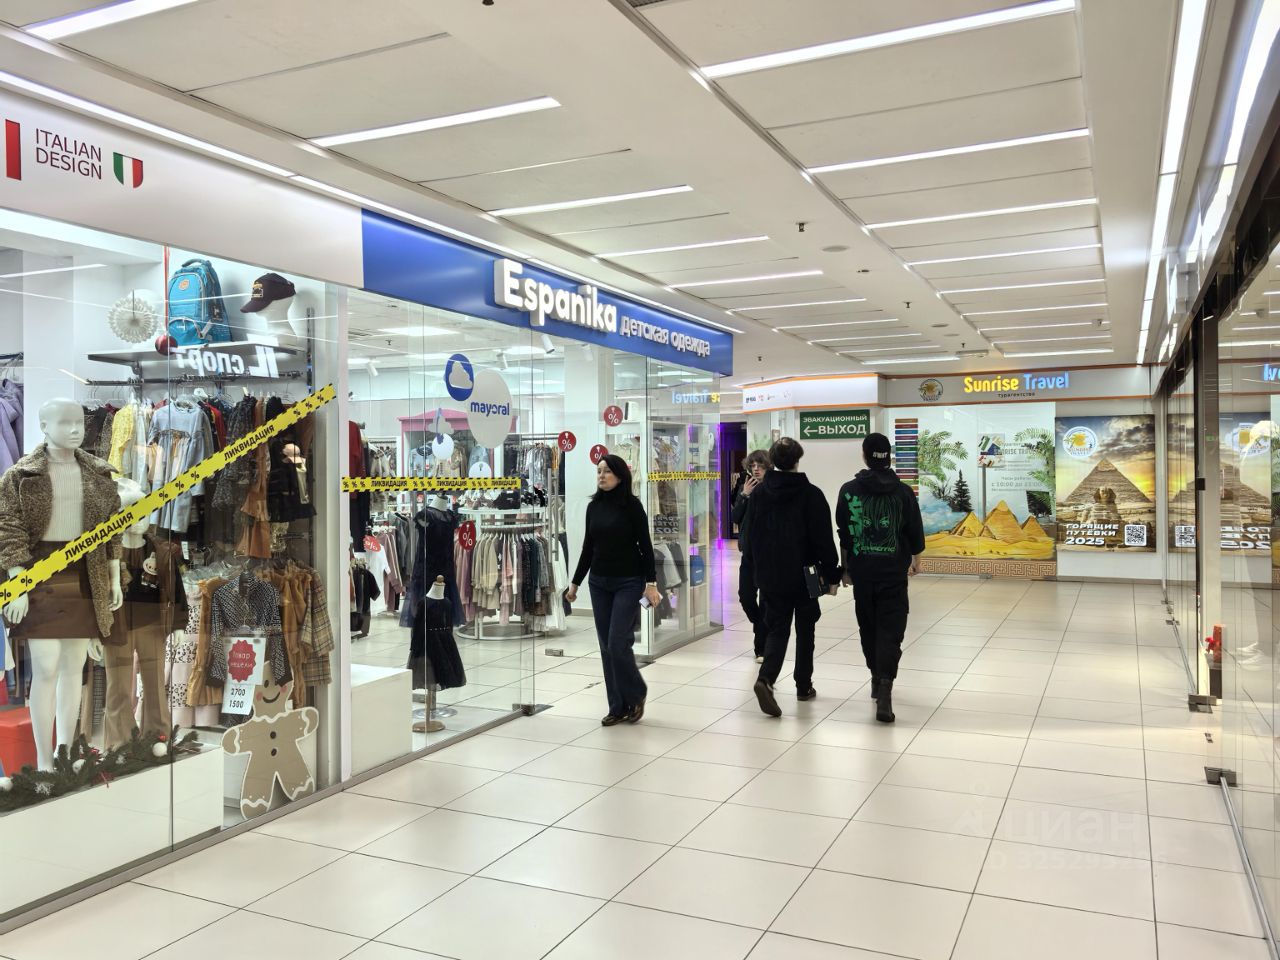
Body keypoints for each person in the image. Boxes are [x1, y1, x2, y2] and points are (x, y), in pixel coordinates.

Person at [744, 437, 840, 718]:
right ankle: (803, 685)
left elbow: (750, 538)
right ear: (798, 460)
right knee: (806, 627)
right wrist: (832, 573)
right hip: (805, 575)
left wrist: (757, 571)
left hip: (771, 574)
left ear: (772, 461)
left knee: (777, 628)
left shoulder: (759, 495)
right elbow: (823, 540)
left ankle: (766, 679)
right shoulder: (811, 495)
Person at [836, 432, 925, 723]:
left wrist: (846, 568)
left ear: (864, 455)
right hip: (893, 573)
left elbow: (845, 534)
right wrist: (916, 559)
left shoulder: (849, 491)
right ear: (889, 456)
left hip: (863, 572)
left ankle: (876, 676)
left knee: (868, 627)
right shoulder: (904, 493)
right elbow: (914, 530)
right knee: (891, 629)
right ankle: (885, 685)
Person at [566, 454, 660, 726]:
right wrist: (575, 583)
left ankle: (636, 693)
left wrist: (651, 583)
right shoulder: (593, 507)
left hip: (628, 582)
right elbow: (588, 547)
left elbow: (646, 546)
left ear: (620, 475)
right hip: (599, 583)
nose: (602, 476)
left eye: (607, 471)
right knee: (607, 646)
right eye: (599, 471)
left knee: (618, 643)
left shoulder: (632, 506)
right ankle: (617, 707)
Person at [731, 449, 771, 661]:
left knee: (765, 601)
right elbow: (735, 517)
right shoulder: (744, 486)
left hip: (768, 554)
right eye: (752, 466)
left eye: (760, 465)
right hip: (748, 553)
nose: (756, 469)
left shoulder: (774, 488)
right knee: (745, 596)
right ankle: (760, 626)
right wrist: (744, 495)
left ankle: (761, 647)